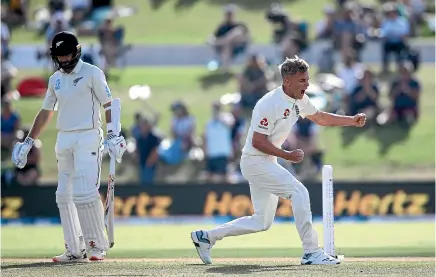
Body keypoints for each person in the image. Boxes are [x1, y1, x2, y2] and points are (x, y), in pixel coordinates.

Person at [191, 56, 366, 265]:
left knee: (261, 221)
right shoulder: (269, 103)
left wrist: (351, 121)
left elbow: (319, 117)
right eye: (302, 80)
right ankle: (311, 251)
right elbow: (257, 141)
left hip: (265, 162)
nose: (307, 84)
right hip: (255, 161)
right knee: (299, 191)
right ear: (287, 81)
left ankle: (206, 237)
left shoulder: (300, 99)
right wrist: (287, 155)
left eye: (307, 79)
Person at [11, 31, 126, 263]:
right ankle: (74, 249)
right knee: (64, 196)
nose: (64, 60)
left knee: (85, 192)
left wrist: (114, 134)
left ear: (77, 51)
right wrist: (29, 141)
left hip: (88, 136)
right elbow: (46, 112)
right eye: (59, 56)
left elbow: (109, 104)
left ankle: (95, 246)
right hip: (64, 139)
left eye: (67, 54)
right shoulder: (55, 80)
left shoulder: (93, 73)